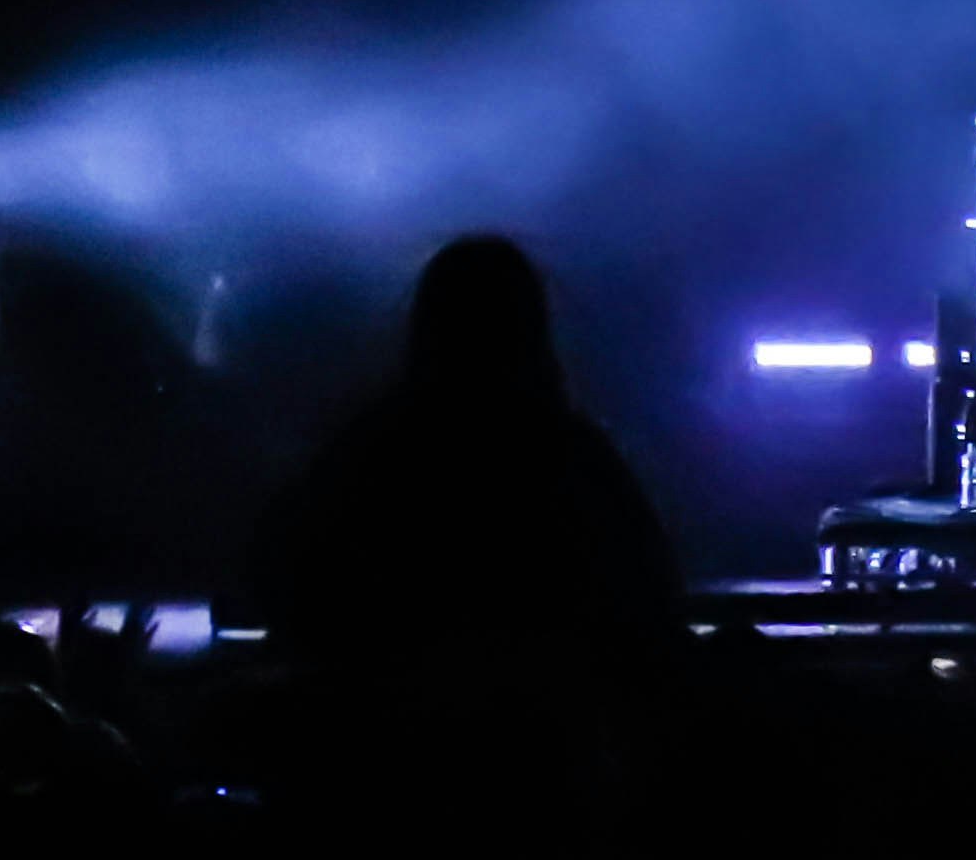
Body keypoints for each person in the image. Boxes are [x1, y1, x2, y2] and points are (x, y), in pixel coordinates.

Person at [251, 232, 680, 695]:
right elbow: (652, 596)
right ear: (533, 326)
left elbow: (288, 585)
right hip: (546, 732)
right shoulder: (575, 454)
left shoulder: (368, 449)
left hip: (384, 734)